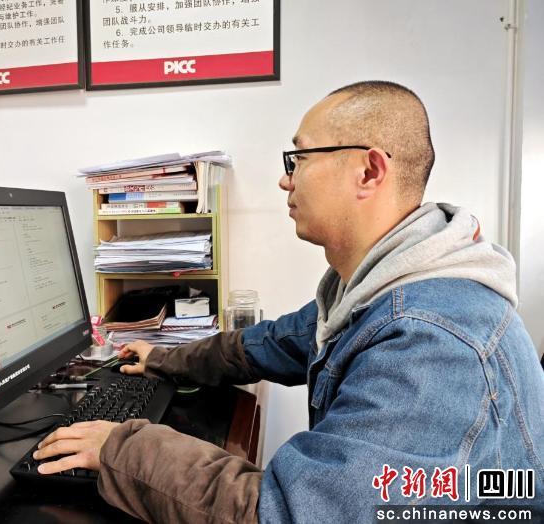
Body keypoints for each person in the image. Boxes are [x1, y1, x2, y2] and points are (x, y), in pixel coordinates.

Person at [33, 81, 544, 523]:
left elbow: (288, 512)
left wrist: (120, 448)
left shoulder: (432, 343)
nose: (286, 178)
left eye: (298, 158)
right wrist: (163, 359)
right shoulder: (376, 288)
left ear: (369, 171)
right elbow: (275, 342)